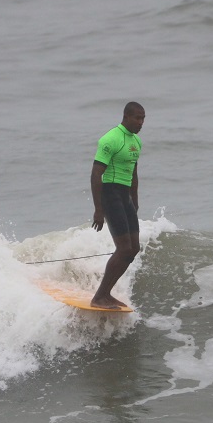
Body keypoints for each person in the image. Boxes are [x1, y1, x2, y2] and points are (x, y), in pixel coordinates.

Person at [89, 101, 145, 309]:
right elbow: (96, 174)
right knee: (123, 249)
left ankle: (106, 294)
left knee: (133, 248)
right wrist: (98, 209)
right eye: (137, 118)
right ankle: (100, 296)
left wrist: (135, 201)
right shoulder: (110, 139)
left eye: (143, 118)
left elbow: (133, 173)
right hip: (110, 193)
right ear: (126, 117)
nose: (141, 123)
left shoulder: (136, 142)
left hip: (125, 197)